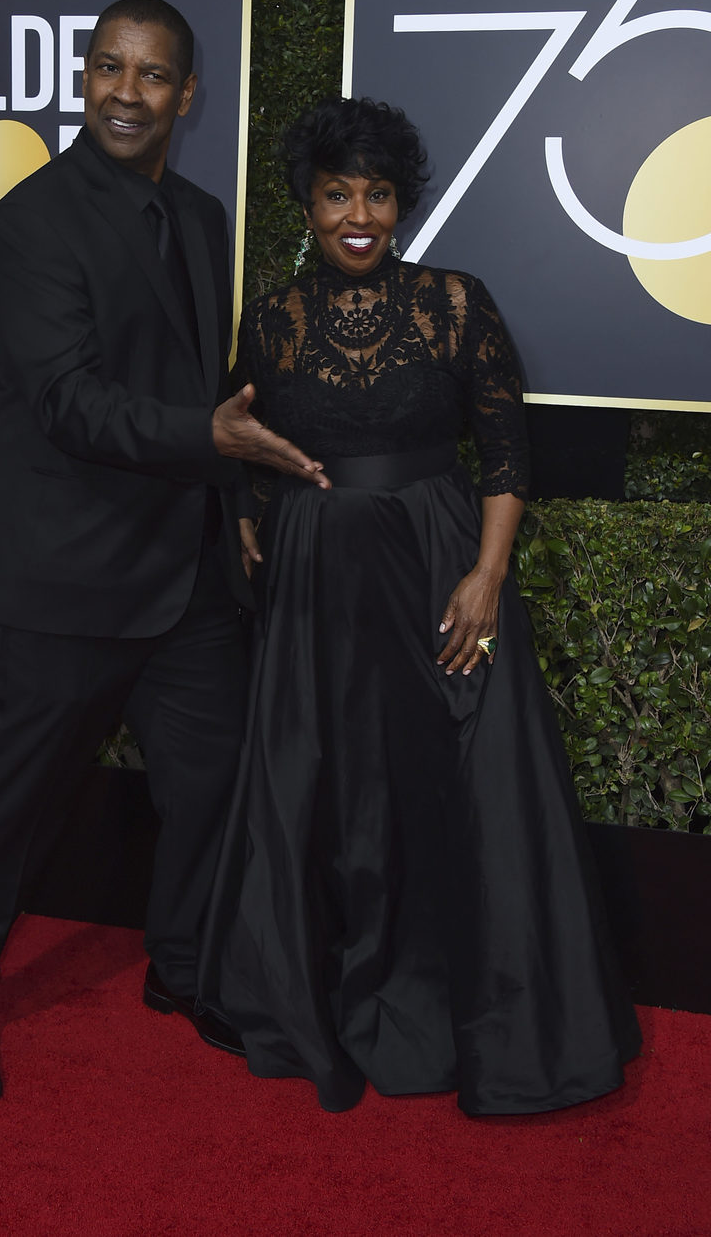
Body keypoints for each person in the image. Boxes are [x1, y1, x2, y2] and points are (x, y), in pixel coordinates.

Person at [0, 0, 330, 1103]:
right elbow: (67, 404)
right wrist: (212, 438)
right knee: (10, 804)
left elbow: (204, 385)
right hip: (61, 574)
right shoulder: (33, 221)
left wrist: (231, 483)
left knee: (212, 788)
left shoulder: (197, 217)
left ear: (186, 96)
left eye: (151, 76)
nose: (124, 93)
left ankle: (183, 969)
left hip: (185, 575)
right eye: (108, 68)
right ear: (83, 78)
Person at [200, 96, 641, 1116]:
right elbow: (235, 437)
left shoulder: (455, 301)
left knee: (470, 782)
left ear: (402, 201)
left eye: (378, 193)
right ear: (305, 206)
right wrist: (252, 517)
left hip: (442, 559)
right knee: (340, 789)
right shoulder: (270, 319)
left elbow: (506, 453)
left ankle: (478, 1014)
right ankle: (335, 1004)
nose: (359, 214)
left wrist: (487, 576)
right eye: (336, 194)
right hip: (322, 583)